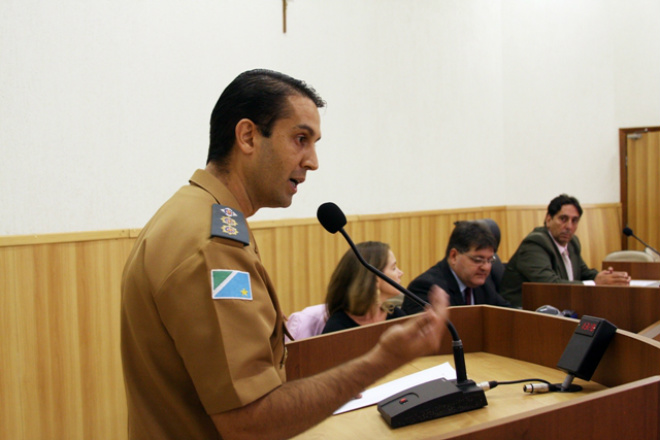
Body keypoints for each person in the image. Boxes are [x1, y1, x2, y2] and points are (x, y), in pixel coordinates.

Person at [120, 69, 449, 440]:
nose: (312, 161)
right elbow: (251, 422)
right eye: (300, 139)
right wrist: (383, 359)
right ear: (247, 137)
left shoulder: (191, 213)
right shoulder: (212, 245)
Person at [499, 194, 630, 308]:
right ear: (549, 219)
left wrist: (606, 278)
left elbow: (583, 272)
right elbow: (551, 285)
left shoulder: (572, 243)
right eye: (563, 219)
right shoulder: (535, 244)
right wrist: (595, 283)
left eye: (574, 221)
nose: (569, 226)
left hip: (555, 306)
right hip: (520, 311)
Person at [402, 221, 512, 314]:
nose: (486, 267)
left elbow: (507, 313)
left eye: (490, 260)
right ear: (454, 256)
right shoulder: (426, 288)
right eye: (478, 260)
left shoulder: (483, 284)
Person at [322, 241, 407, 334]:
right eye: (393, 268)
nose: (401, 273)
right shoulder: (337, 328)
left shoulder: (395, 315)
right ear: (374, 279)